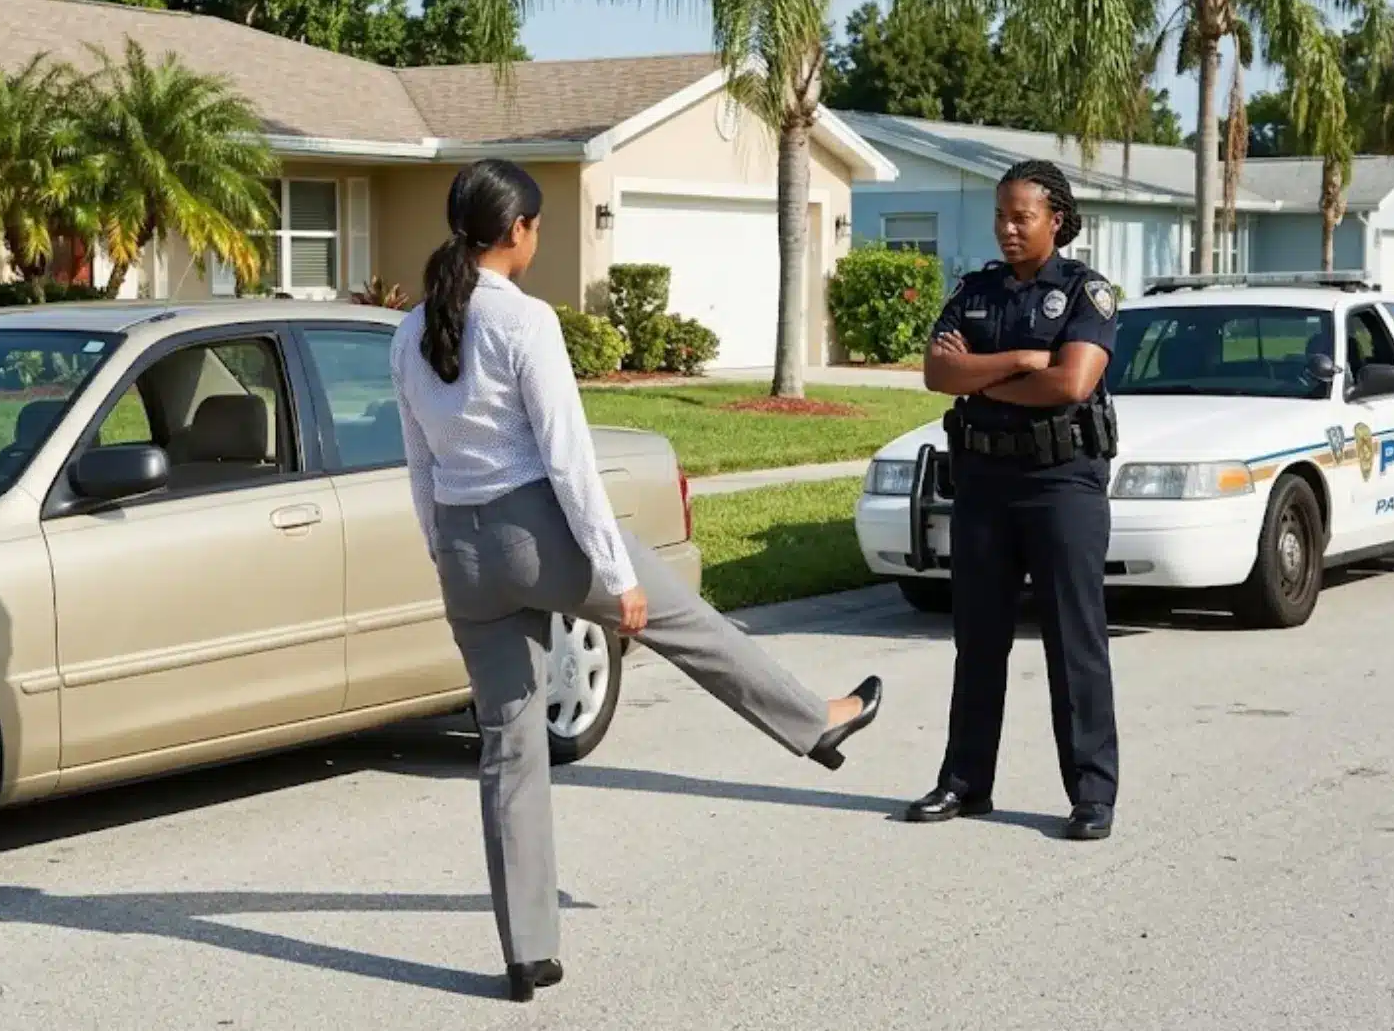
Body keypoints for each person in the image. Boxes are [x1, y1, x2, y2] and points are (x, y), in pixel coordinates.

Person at [390, 158, 884, 1002]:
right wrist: (616, 576)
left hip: (463, 553)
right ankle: (813, 723)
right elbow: (569, 460)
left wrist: (446, 559)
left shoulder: (408, 330)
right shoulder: (524, 320)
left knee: (509, 748)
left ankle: (527, 954)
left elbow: (417, 464)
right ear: (518, 232)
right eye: (538, 227)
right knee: (686, 621)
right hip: (535, 530)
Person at [902, 159, 1121, 841]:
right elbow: (939, 371)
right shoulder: (977, 291)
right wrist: (1020, 362)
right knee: (979, 640)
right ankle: (966, 782)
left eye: (1021, 216)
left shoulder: (1087, 292)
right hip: (984, 485)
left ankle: (1091, 794)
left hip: (1062, 483)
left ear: (1056, 219)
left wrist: (985, 379)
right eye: (1001, 215)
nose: (1008, 228)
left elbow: (1070, 384)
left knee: (1073, 642)